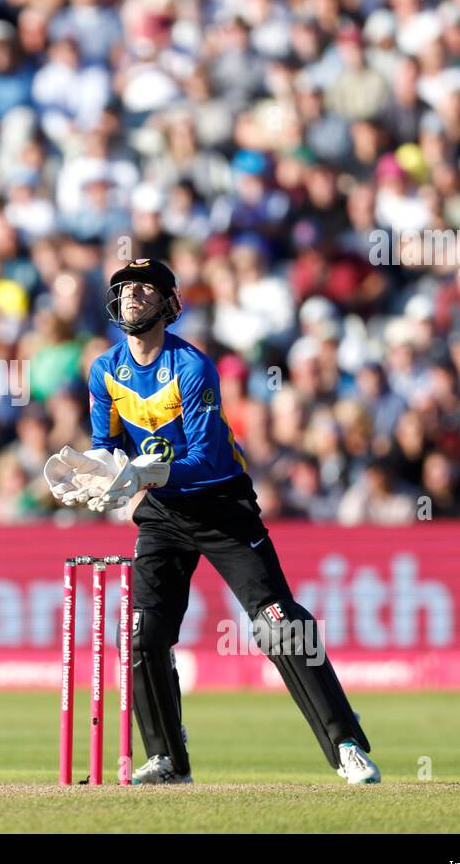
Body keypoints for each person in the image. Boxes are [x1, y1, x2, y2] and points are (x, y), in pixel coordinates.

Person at [44, 259, 379, 785]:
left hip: (220, 503)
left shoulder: (192, 367)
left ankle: (346, 743)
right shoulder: (105, 370)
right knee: (140, 632)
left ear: (167, 304)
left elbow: (204, 457)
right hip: (162, 512)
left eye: (144, 290)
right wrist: (101, 475)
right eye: (124, 290)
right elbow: (107, 448)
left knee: (278, 623)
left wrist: (140, 475)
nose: (132, 297)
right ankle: (167, 759)